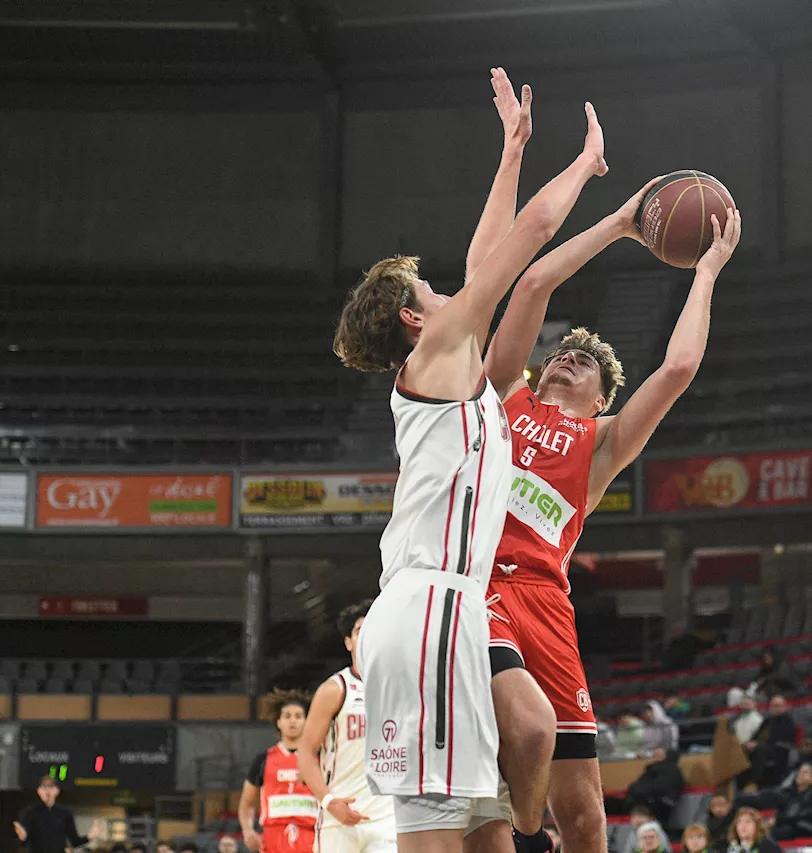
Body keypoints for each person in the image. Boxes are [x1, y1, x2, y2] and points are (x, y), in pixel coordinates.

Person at [333, 66, 607, 853]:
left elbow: (488, 248)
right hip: (422, 608)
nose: (456, 289)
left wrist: (513, 148)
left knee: (494, 817)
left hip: (454, 613)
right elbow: (525, 241)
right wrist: (587, 166)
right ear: (416, 318)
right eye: (433, 288)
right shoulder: (440, 357)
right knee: (439, 837)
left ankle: (524, 838)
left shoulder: (456, 361)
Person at [481, 159, 740, 853]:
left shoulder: (600, 442)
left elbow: (679, 368)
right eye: (561, 353)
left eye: (584, 362)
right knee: (520, 739)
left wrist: (707, 271)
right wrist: (620, 224)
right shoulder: (506, 396)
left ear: (602, 398)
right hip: (480, 587)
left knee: (588, 815)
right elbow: (534, 280)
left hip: (545, 598)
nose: (566, 358)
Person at [297, 600, 397, 853]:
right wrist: (329, 802)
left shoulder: (400, 687)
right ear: (348, 642)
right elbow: (306, 753)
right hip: (338, 815)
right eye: (359, 630)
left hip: (386, 817)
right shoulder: (335, 689)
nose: (367, 636)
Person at [239, 689, 317, 853]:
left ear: (306, 721)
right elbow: (247, 802)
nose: (292, 721)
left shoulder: (320, 758)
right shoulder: (263, 759)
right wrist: (248, 831)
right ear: (278, 721)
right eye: (287, 716)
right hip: (273, 837)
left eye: (298, 716)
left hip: (311, 835)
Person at [13, 774, 105, 853]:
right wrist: (22, 837)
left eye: (51, 787)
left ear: (57, 790)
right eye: (44, 787)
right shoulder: (29, 812)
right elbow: (22, 843)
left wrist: (90, 836)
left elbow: (75, 841)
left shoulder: (65, 813)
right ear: (39, 791)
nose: (47, 791)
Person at [745, 695, 797, 788]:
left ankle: (754, 781)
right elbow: (756, 735)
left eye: (779, 706)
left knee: (760, 748)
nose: (776, 708)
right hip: (762, 748)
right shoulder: (767, 721)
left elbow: (781, 739)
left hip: (778, 751)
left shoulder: (787, 721)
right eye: (774, 706)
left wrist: (757, 744)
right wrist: (750, 743)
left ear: (784, 707)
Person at [771, 763, 812, 840]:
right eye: (799, 772)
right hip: (787, 826)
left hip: (803, 827)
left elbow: (808, 815)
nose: (800, 774)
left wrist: (780, 820)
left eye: (805, 772)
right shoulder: (790, 795)